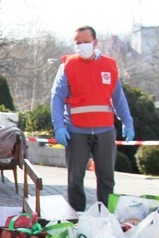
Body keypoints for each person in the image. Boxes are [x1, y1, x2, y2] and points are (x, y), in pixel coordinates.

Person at [51, 25, 135, 212]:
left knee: (106, 178)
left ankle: (106, 216)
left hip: (104, 130)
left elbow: (118, 97)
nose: (81, 46)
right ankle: (76, 216)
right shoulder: (68, 66)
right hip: (76, 130)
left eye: (86, 42)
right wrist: (58, 126)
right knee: (75, 179)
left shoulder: (109, 65)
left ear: (95, 42)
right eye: (77, 43)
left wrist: (127, 121)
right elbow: (57, 97)